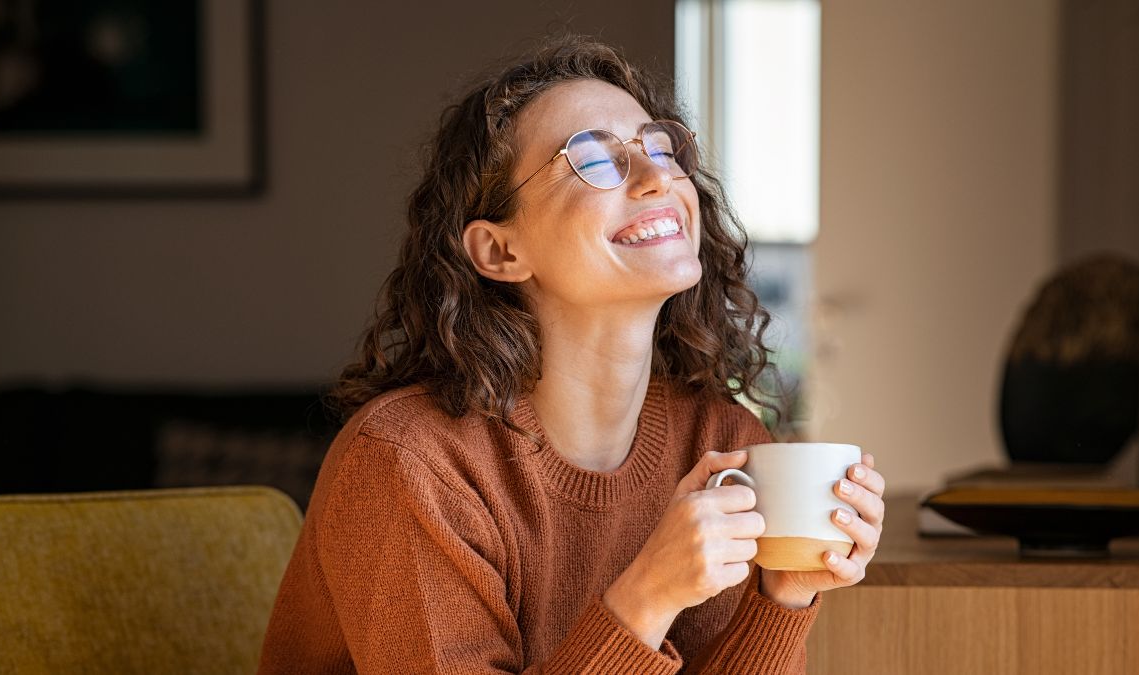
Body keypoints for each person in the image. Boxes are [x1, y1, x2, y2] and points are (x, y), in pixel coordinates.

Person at [258, 36, 886, 674]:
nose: (658, 177)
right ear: (501, 252)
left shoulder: (720, 441)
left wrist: (785, 595)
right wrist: (647, 597)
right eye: (592, 157)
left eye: (658, 146)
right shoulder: (411, 463)